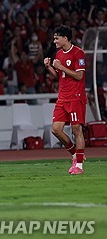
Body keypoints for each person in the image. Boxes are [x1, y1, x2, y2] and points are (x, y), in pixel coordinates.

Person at [43, 25, 87, 174]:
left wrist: (61, 67)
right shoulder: (59, 54)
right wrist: (49, 67)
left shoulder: (78, 53)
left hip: (75, 97)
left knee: (76, 130)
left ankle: (79, 166)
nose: (54, 41)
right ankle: (76, 154)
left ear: (65, 38)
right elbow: (59, 77)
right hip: (62, 98)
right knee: (56, 129)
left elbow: (79, 76)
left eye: (57, 38)